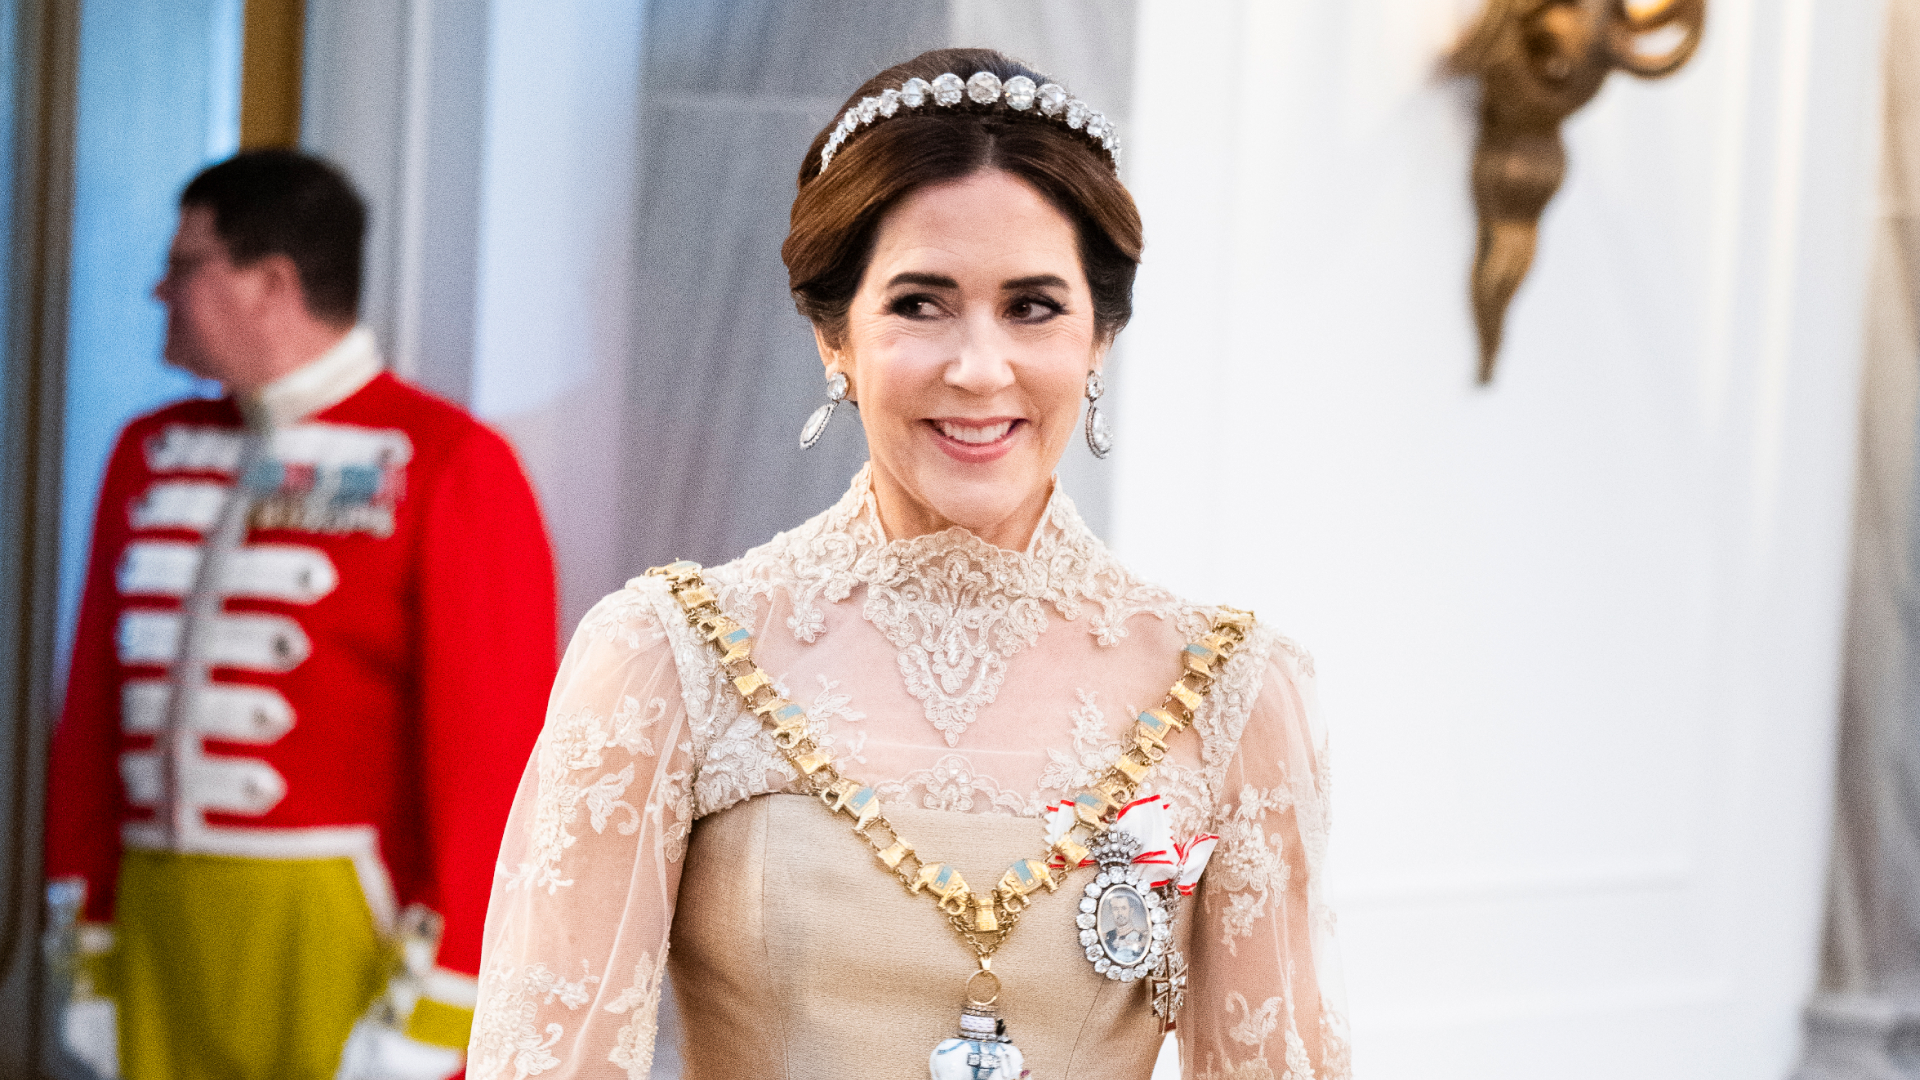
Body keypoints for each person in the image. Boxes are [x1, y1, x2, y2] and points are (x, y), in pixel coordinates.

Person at [469, 48, 1347, 1080]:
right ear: (831, 333)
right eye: (921, 304)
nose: (979, 368)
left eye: (1033, 306)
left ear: (1100, 336)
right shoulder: (671, 661)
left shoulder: (1230, 693)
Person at [43, 150, 559, 1080]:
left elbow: (498, 770)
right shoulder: (145, 451)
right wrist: (82, 942)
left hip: (348, 936)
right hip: (155, 929)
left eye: (187, 264)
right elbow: (88, 722)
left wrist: (447, 999)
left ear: (269, 282)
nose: (159, 288)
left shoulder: (451, 464)